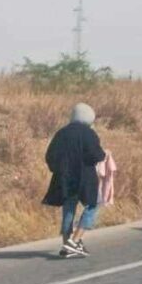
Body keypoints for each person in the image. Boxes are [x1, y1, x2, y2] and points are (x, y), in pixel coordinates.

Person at [42, 103, 107, 258]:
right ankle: (75, 240)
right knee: (93, 205)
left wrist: (58, 170)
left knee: (69, 209)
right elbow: (97, 155)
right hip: (85, 177)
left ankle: (67, 244)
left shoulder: (61, 133)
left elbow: (50, 155)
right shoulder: (89, 133)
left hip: (64, 178)